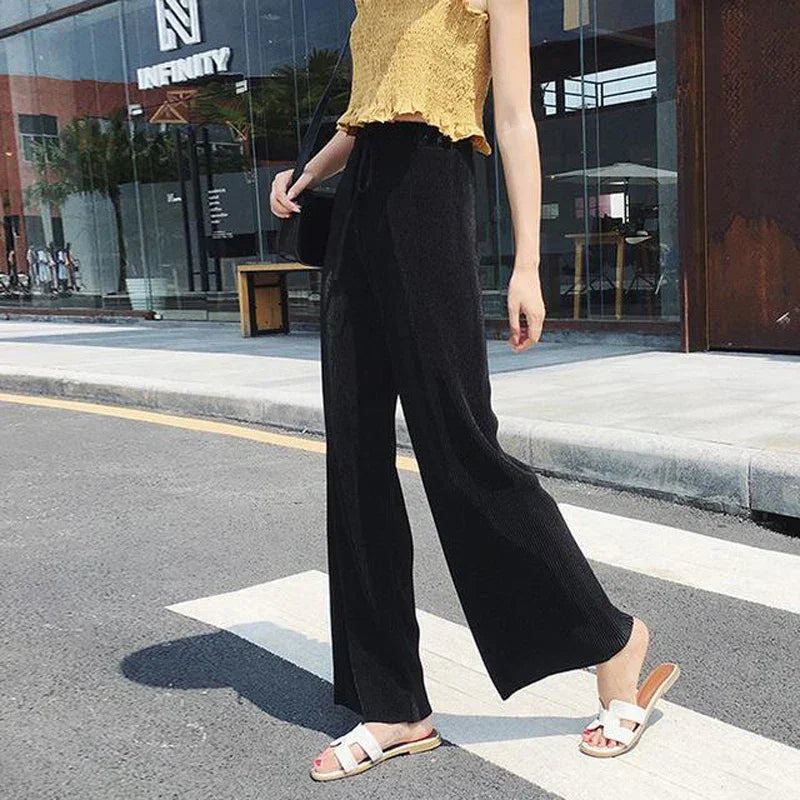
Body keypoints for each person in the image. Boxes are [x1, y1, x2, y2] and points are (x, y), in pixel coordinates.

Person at [270, 0, 679, 781]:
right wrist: (308, 175)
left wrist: (527, 265)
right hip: (358, 215)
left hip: (431, 193)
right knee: (352, 454)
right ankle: (394, 706)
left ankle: (613, 639)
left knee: (457, 442)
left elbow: (517, 120)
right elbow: (364, 116)